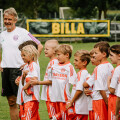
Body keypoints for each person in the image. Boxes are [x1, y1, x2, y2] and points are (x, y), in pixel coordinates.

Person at [0, 7, 43, 120]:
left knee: (22, 101)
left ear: (15, 20)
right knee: (11, 101)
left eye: (10, 19)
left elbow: (39, 45)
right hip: (6, 70)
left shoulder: (22, 32)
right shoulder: (2, 35)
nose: (7, 21)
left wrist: (31, 61)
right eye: (5, 19)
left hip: (19, 70)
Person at [31, 44, 77, 120]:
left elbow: (75, 83)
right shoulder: (54, 66)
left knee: (64, 117)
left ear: (67, 55)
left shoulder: (69, 67)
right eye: (56, 55)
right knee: (54, 117)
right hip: (54, 98)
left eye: (59, 55)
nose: (57, 57)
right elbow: (50, 81)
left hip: (64, 98)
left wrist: (72, 99)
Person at [83, 41, 114, 120]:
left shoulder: (98, 68)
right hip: (109, 98)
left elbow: (100, 89)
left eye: (96, 53)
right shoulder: (110, 66)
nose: (94, 55)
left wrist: (106, 103)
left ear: (104, 54)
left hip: (99, 100)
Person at [66, 50, 90, 120]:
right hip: (81, 108)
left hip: (79, 108)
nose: (74, 62)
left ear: (84, 62)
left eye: (76, 60)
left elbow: (79, 90)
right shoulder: (82, 73)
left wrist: (71, 102)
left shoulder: (82, 74)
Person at [18, 45, 40, 120]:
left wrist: (25, 87)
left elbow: (34, 79)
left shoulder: (33, 65)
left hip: (31, 99)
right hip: (27, 99)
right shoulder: (27, 66)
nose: (22, 57)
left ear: (32, 55)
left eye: (24, 55)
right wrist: (23, 76)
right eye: (21, 55)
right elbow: (23, 82)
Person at [40, 39, 59, 119]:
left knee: (53, 116)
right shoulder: (53, 62)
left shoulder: (53, 63)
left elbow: (52, 81)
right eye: (44, 49)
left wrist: (37, 82)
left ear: (54, 51)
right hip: (52, 94)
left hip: (51, 95)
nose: (44, 51)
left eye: (47, 49)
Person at [107, 45, 120, 120]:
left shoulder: (116, 70)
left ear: (119, 56)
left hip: (115, 101)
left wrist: (108, 81)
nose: (109, 57)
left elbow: (112, 90)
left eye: (111, 55)